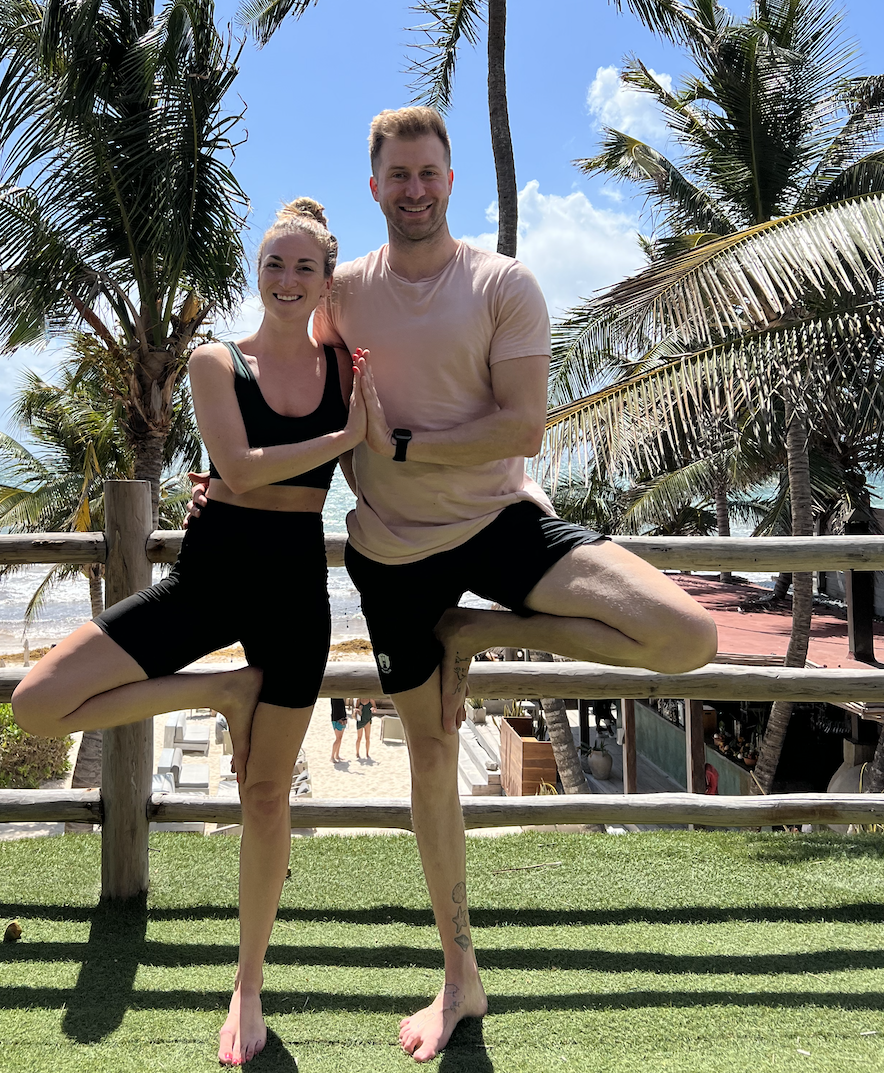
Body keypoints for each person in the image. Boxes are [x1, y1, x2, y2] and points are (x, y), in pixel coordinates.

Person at [189, 107, 717, 1062]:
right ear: (375, 186)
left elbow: (523, 427)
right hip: (391, 556)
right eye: (397, 175)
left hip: (499, 524)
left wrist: (399, 444)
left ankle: (470, 634)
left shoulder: (501, 284)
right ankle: (458, 973)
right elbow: (271, 366)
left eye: (428, 172)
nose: (415, 189)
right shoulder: (339, 292)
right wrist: (222, 479)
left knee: (687, 635)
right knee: (430, 756)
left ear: (449, 176)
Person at [10, 198, 363, 1067]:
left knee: (265, 798)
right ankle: (219, 688)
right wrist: (341, 435)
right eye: (274, 264)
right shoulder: (215, 361)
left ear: (326, 278)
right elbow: (237, 467)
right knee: (38, 702)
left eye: (304, 267)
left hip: (293, 592)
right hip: (205, 581)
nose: (287, 280)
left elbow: (386, 455)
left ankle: (246, 986)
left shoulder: (347, 369)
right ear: (257, 270)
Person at [329, 697, 348, 761]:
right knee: (338, 739)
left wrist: (345, 717)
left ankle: (337, 755)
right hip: (336, 719)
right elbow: (335, 708)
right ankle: (332, 757)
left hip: (342, 717)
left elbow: (342, 707)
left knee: (340, 738)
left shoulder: (341, 696)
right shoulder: (334, 696)